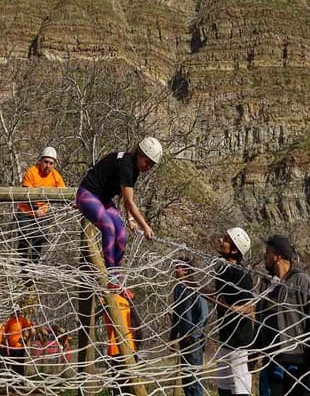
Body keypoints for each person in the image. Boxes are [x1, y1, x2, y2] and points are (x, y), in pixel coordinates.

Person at [76, 137, 162, 291]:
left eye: (152, 165)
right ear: (140, 154)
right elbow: (129, 202)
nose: (148, 167)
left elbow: (125, 195)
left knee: (122, 235)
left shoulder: (133, 167)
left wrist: (129, 218)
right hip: (87, 194)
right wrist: (145, 226)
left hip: (102, 199)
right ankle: (112, 276)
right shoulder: (127, 166)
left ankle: (117, 273)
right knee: (108, 227)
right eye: (147, 162)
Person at [256, 235, 310, 396]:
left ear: (278, 256)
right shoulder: (267, 284)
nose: (265, 257)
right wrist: (254, 353)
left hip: (299, 362)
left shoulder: (303, 282)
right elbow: (260, 321)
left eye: (268, 252)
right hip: (272, 360)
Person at [208, 227, 255, 396]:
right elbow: (215, 297)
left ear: (235, 249)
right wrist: (189, 282)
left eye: (226, 240)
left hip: (239, 344)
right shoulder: (223, 270)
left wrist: (228, 307)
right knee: (223, 388)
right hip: (225, 340)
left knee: (239, 389)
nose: (221, 240)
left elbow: (249, 308)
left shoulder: (239, 274)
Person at [16, 147, 66, 264]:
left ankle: (34, 268)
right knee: (24, 241)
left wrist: (74, 203)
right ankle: (22, 267)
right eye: (45, 162)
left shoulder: (56, 176)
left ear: (54, 165)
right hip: (26, 212)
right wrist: (36, 208)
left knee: (38, 241)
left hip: (42, 215)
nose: (47, 165)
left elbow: (64, 193)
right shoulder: (31, 172)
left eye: (51, 163)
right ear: (40, 161)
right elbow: (26, 194)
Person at [170, 257, 209, 396]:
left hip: (194, 343)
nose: (175, 270)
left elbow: (204, 315)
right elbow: (176, 314)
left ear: (186, 270)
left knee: (194, 380)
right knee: (186, 379)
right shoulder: (177, 289)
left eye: (178, 267)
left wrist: (193, 336)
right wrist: (173, 336)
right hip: (183, 341)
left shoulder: (194, 288)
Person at [102, 293, 142, 396]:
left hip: (115, 348)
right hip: (131, 346)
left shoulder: (107, 301)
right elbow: (137, 324)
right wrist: (138, 343)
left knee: (119, 384)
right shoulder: (127, 302)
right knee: (130, 382)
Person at [2, 307, 33, 376]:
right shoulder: (10, 321)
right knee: (13, 366)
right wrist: (6, 343)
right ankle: (14, 383)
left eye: (18, 311)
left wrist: (26, 339)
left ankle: (21, 382)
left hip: (20, 347)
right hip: (11, 348)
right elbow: (4, 333)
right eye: (15, 311)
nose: (16, 313)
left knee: (20, 366)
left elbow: (32, 330)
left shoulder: (22, 320)